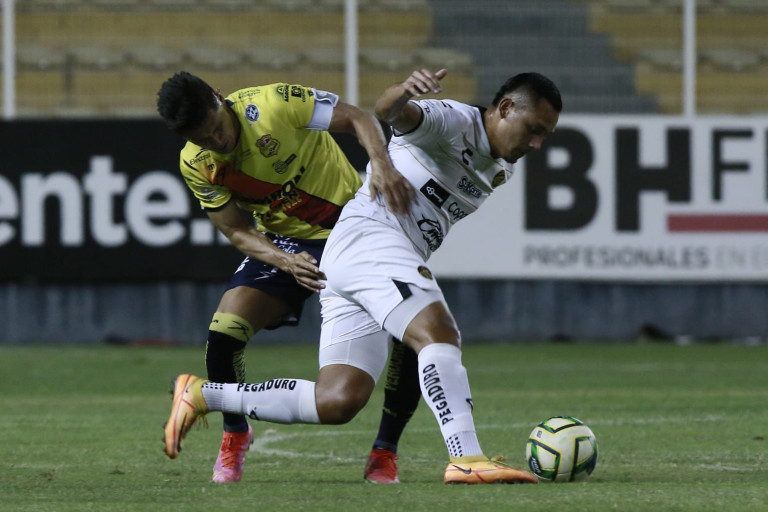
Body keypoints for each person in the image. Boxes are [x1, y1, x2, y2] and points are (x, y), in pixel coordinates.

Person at [162, 68, 561, 484]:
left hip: (352, 248)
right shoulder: (455, 120)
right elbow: (388, 111)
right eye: (533, 130)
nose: (537, 143)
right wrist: (403, 96)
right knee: (436, 333)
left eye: (544, 135)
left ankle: (203, 395)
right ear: (506, 108)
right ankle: (467, 458)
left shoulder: (501, 167)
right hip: (369, 236)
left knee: (337, 400)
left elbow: (366, 122)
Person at [156, 71, 422, 484]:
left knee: (413, 335)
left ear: (219, 98)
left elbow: (357, 117)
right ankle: (235, 434)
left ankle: (384, 452)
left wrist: (382, 167)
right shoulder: (197, 163)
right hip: (287, 245)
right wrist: (284, 260)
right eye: (204, 140)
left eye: (217, 130)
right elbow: (235, 230)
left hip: (354, 230)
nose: (217, 144)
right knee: (223, 334)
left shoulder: (275, 104)